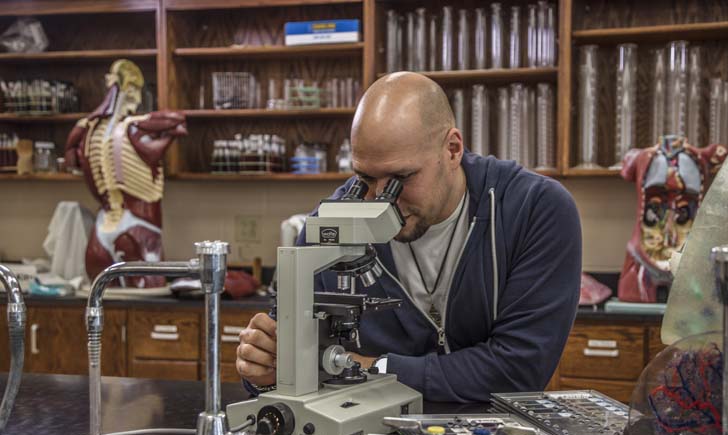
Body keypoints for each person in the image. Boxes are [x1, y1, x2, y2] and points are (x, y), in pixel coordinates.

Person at [236, 72, 582, 402]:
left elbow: (518, 371)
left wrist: (370, 367)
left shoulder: (534, 210)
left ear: (452, 149)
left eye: (401, 177)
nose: (381, 201)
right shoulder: (332, 222)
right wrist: (263, 370)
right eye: (366, 179)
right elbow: (289, 365)